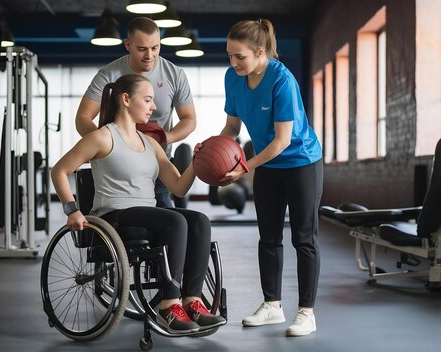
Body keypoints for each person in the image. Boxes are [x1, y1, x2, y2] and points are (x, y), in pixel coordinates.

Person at [51, 74, 225, 334]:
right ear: (126, 100)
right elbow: (59, 170)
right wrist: (72, 209)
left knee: (198, 220)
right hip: (113, 217)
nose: (153, 107)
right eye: (147, 100)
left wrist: (197, 162)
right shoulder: (102, 137)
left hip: (147, 214)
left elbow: (178, 186)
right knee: (174, 220)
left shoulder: (151, 143)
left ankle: (192, 301)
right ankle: (169, 305)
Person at [220, 19, 323, 337]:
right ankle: (272, 305)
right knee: (268, 237)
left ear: (260, 52)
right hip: (267, 165)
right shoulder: (233, 78)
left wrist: (244, 167)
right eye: (230, 55)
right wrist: (216, 150)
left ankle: (306, 312)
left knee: (303, 238)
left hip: (301, 162)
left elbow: (281, 141)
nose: (233, 62)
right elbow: (232, 129)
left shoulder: (282, 80)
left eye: (240, 56)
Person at [75, 16, 196, 208]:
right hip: (119, 168)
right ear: (128, 45)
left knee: (172, 221)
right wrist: (111, 146)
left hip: (157, 161)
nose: (149, 55)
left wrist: (166, 137)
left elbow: (189, 119)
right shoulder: (109, 74)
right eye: (142, 49)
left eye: (155, 48)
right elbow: (83, 117)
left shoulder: (174, 74)